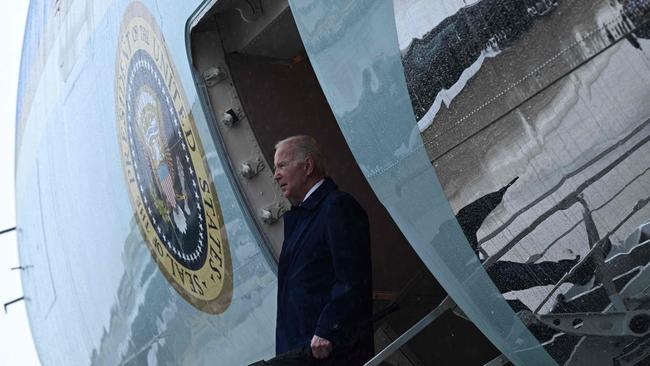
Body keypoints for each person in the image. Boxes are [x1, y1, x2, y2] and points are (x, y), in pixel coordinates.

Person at [272, 135, 374, 365]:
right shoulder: (302, 217)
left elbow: (352, 277)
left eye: (282, 165)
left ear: (307, 166)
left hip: (331, 353)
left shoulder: (336, 206)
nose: (275, 174)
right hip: (304, 351)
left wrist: (328, 328)